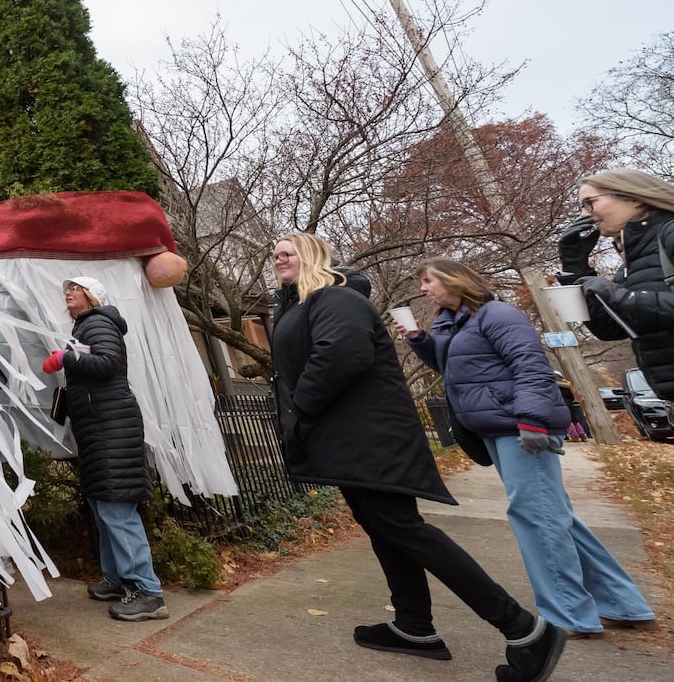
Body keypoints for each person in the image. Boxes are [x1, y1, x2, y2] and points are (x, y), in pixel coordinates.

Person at [269, 233, 566, 682]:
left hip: (368, 437)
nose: (279, 259)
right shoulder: (301, 304)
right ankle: (414, 626)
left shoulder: (335, 297)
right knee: (386, 529)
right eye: (275, 255)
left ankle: (524, 629)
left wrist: (300, 408)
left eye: (288, 252)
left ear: (313, 255)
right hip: (345, 437)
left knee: (404, 529)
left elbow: (341, 355)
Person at [404, 258, 655, 638]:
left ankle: (568, 616)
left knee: (537, 517)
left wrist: (532, 421)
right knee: (553, 515)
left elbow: (530, 366)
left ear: (454, 280)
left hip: (519, 427)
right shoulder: (453, 323)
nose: (423, 289)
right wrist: (420, 340)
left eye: (428, 281)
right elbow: (453, 370)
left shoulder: (497, 314)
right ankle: (622, 603)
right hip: (495, 428)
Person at [42, 276, 167, 622]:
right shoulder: (86, 326)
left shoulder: (98, 322)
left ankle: (148, 592)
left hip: (112, 428)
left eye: (75, 288)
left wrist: (66, 358)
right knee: (103, 506)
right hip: (100, 428)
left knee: (116, 509)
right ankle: (117, 581)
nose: (68, 293)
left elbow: (108, 362)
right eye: (66, 289)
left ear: (92, 296)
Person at [557, 168, 674, 402]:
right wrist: (573, 270)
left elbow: (621, 300)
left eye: (589, 203)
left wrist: (621, 297)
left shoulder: (670, 232)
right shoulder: (631, 261)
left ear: (633, 197)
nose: (584, 215)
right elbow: (607, 330)